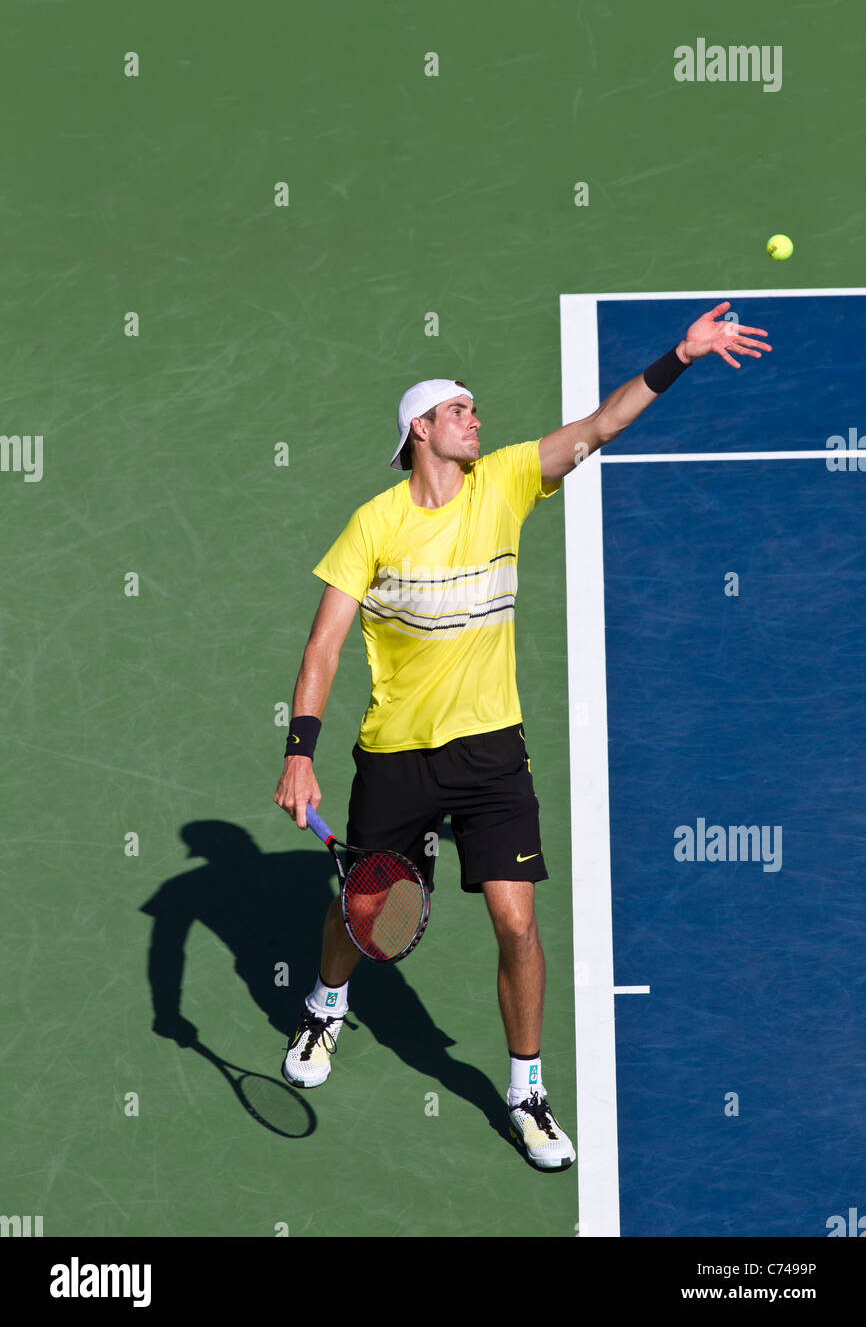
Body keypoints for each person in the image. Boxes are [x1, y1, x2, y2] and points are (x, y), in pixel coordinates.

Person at [273, 302, 771, 1171]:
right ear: (420, 430)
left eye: (475, 410)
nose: (477, 418)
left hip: (492, 752)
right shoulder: (375, 526)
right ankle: (324, 1006)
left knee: (516, 923)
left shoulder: (505, 480)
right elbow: (322, 644)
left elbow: (603, 425)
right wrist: (300, 751)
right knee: (362, 909)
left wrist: (681, 356)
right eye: (459, 410)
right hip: (396, 754)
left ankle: (526, 1091)